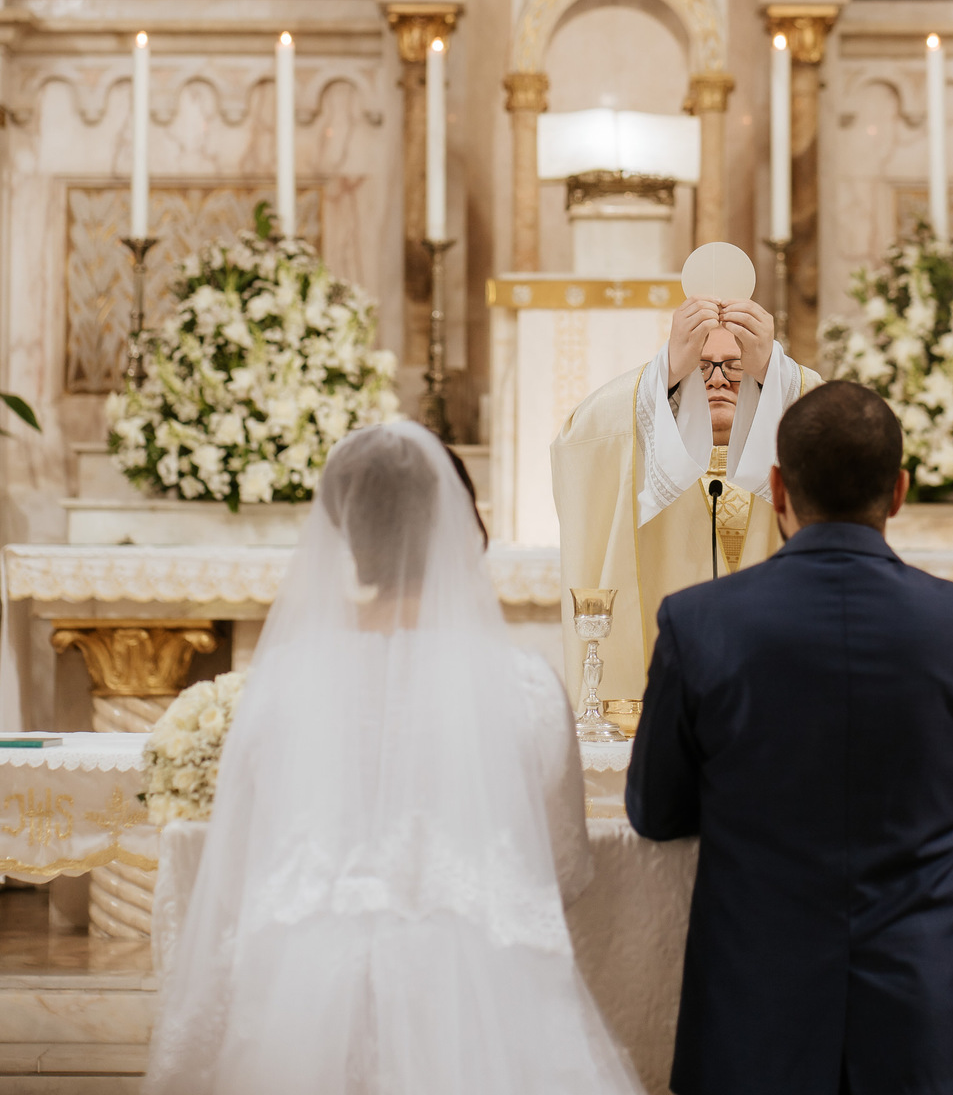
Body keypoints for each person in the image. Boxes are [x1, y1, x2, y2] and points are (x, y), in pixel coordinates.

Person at [145, 422, 643, 1095]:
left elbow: (238, 868)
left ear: (345, 535)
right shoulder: (522, 688)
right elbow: (560, 863)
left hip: (307, 987)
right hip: (474, 987)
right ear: (455, 526)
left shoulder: (284, 682)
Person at [627, 380, 953, 1095]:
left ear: (779, 487)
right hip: (923, 1015)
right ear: (900, 491)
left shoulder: (700, 622)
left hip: (754, 1015)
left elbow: (654, 812)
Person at [552, 289, 820, 709]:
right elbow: (579, 441)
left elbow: (836, 425)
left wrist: (775, 368)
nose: (717, 379)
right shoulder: (648, 457)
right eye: (701, 368)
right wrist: (666, 370)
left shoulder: (789, 449)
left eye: (736, 367)